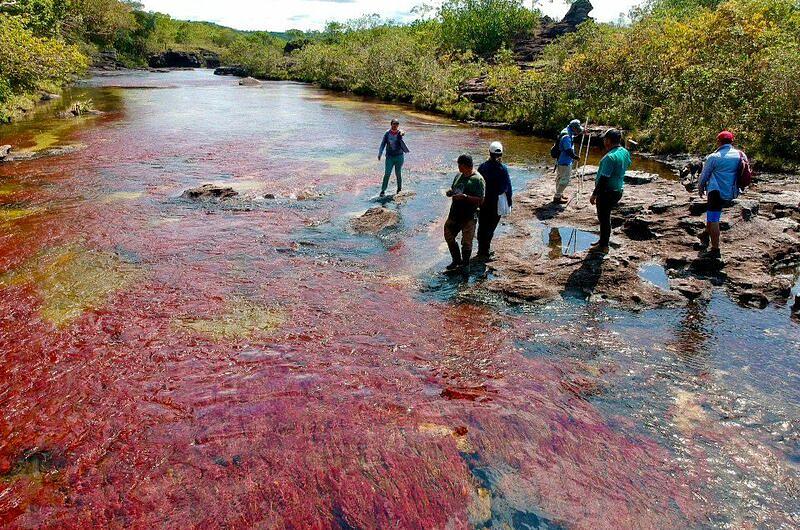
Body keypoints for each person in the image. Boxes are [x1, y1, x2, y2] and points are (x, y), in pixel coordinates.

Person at [697, 131, 745, 259]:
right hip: (731, 191)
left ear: (718, 141)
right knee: (712, 213)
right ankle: (706, 233)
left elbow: (704, 175)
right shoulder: (740, 155)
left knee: (714, 219)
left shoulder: (714, 156)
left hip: (715, 192)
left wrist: (700, 187)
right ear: (732, 141)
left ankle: (715, 249)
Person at [589, 129, 631, 254]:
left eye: (604, 139)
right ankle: (603, 240)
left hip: (607, 192)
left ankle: (603, 246)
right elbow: (628, 164)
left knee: (604, 218)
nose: (603, 141)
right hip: (618, 190)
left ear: (608, 141)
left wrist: (594, 194)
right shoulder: (624, 152)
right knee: (605, 217)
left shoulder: (609, 157)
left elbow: (603, 179)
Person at [444, 154, 486, 272]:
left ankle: (466, 265)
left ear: (465, 165)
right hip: (455, 214)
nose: (458, 167)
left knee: (466, 242)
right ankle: (456, 260)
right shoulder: (459, 176)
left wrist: (465, 197)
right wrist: (451, 193)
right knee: (448, 235)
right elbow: (454, 189)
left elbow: (481, 200)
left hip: (469, 216)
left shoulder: (478, 179)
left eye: (459, 165)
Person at [476, 141, 512, 261]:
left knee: (482, 225)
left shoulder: (482, 167)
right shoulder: (503, 169)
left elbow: (477, 183)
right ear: (501, 154)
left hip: (483, 202)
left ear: (489, 152)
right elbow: (506, 187)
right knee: (491, 227)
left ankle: (480, 250)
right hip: (496, 203)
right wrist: (509, 202)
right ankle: (485, 251)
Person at [554, 119, 584, 203]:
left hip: (560, 160)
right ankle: (557, 197)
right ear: (573, 128)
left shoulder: (566, 130)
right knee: (565, 179)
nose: (578, 131)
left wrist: (582, 132)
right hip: (564, 161)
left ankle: (559, 193)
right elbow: (568, 150)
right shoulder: (567, 136)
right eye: (577, 129)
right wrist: (575, 157)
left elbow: (575, 134)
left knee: (559, 178)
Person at [378, 119, 410, 197]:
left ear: (398, 125)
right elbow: (383, 144)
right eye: (393, 124)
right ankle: (383, 190)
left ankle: (399, 189)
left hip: (399, 156)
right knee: (387, 173)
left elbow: (403, 132)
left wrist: (402, 133)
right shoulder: (387, 133)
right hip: (389, 157)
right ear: (391, 124)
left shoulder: (400, 132)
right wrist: (380, 153)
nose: (395, 125)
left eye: (396, 124)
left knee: (398, 173)